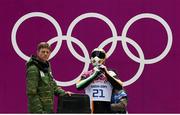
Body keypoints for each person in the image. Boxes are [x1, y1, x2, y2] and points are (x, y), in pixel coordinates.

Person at [26, 42, 71, 113]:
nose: (45, 54)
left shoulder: (47, 66)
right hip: (39, 111)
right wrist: (39, 112)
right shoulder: (33, 69)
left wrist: (63, 93)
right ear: (37, 52)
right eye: (43, 52)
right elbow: (32, 93)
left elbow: (52, 84)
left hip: (48, 110)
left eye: (47, 52)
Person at [76, 48, 123, 113]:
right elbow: (78, 86)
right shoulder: (87, 74)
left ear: (104, 59)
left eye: (100, 55)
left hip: (106, 106)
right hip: (90, 106)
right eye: (94, 55)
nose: (96, 57)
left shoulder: (110, 73)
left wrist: (106, 73)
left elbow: (120, 86)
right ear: (91, 59)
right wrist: (94, 75)